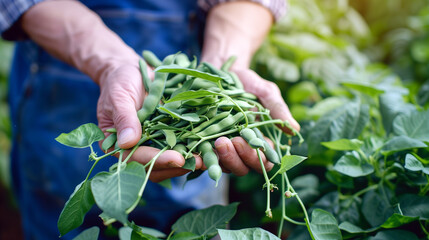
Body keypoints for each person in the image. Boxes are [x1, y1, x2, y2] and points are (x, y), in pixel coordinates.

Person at [0, 0, 300, 239]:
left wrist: (223, 63)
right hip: (62, 74)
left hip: (192, 58)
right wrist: (111, 65)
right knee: (61, 212)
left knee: (189, 225)